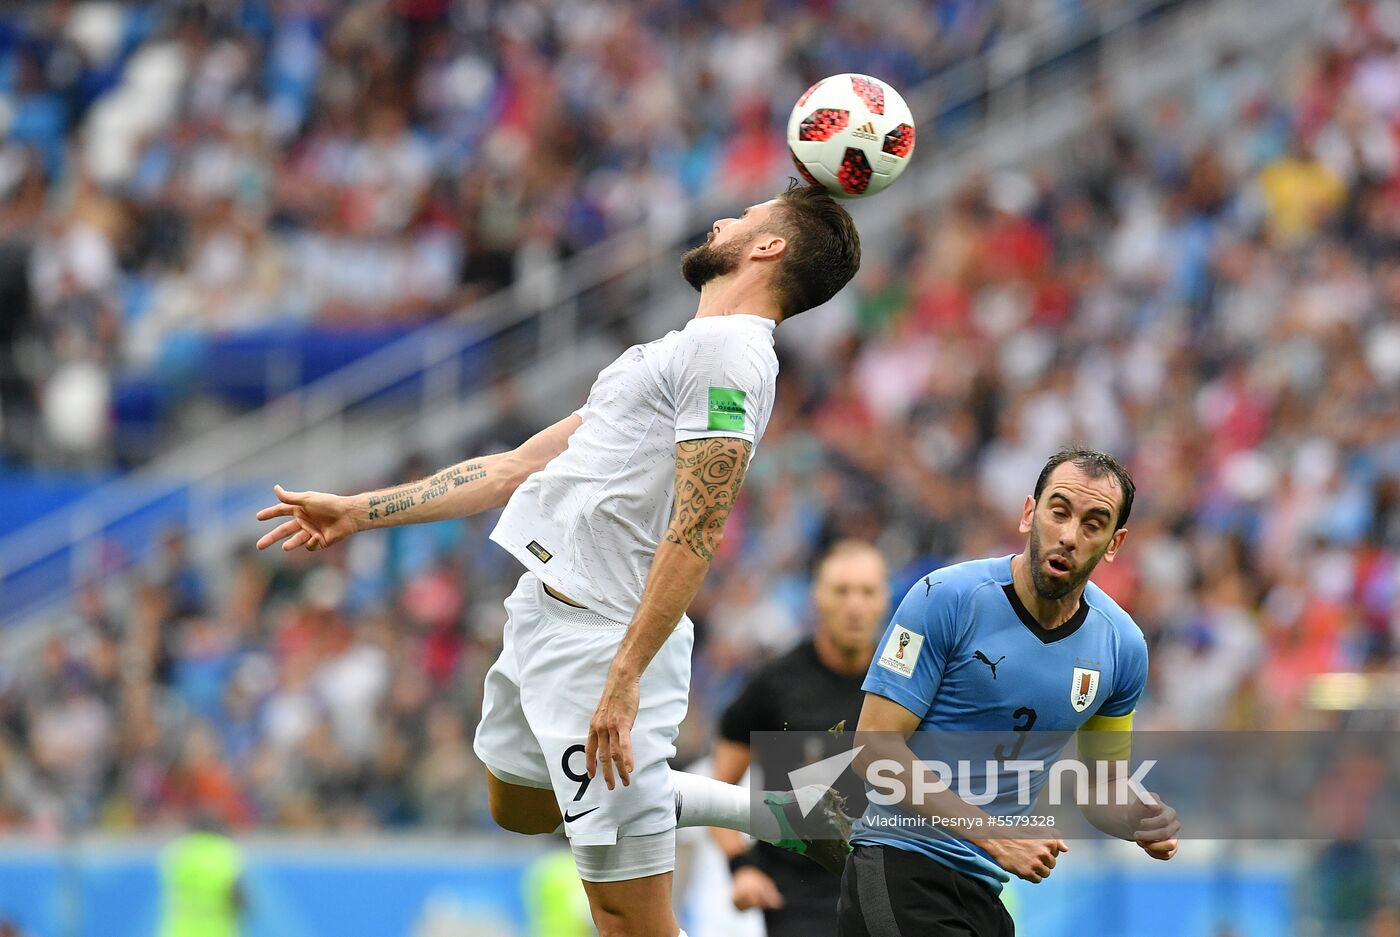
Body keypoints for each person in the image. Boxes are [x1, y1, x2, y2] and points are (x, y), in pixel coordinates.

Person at [255, 181, 862, 937]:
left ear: (768, 247)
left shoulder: (731, 354)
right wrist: (358, 511)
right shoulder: (673, 352)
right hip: (542, 614)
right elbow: (512, 468)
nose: (723, 219)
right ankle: (791, 808)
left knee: (626, 919)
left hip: (603, 639)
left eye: (746, 217)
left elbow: (698, 527)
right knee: (519, 804)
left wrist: (625, 674)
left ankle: (806, 810)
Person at [838, 447, 1180, 937]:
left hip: (983, 889)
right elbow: (873, 748)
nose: (1068, 535)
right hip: (898, 865)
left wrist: (1139, 819)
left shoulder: (1121, 648)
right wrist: (993, 834)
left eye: (1093, 523)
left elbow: (1102, 787)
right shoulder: (944, 598)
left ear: (1113, 543)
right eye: (1058, 511)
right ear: (1029, 513)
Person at [711, 540, 890, 937]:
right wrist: (741, 870)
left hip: (888, 895)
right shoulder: (773, 685)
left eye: (867, 591)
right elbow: (717, 789)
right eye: (841, 591)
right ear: (817, 598)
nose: (855, 605)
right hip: (798, 902)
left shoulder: (906, 687)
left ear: (885, 599)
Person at [158, 819, 246, 937]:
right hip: (218, 931)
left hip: (180, 932)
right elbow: (238, 897)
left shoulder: (179, 851)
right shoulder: (224, 852)